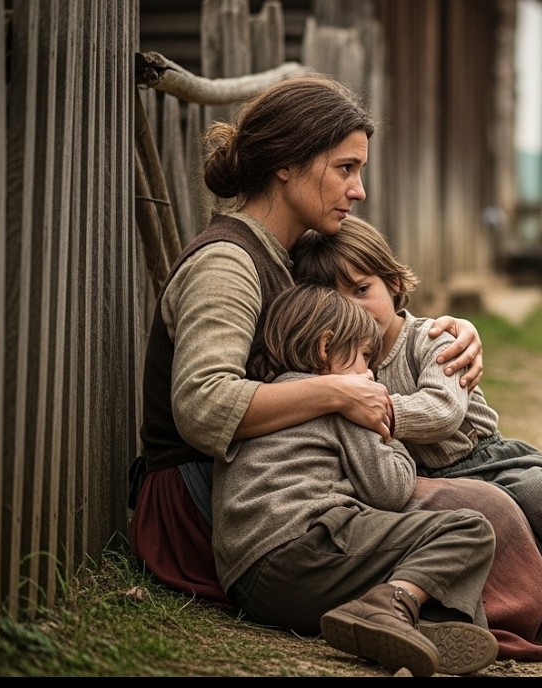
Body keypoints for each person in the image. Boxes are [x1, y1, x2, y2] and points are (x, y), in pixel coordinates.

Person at [127, 73, 485, 608]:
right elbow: (203, 405)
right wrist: (339, 394)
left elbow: (348, 346)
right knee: (482, 513)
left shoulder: (290, 258)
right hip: (212, 502)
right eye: (345, 168)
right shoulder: (227, 264)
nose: (359, 190)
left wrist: (446, 332)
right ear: (286, 164)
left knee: (492, 502)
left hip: (290, 478)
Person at [292, 215, 542, 658]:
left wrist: (372, 406)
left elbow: (443, 412)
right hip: (424, 481)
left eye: (362, 290)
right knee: (486, 542)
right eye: (336, 299)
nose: (354, 308)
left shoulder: (432, 338)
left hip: (486, 460)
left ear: (392, 283)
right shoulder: (337, 363)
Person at [213, 283, 498, 676]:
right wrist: (391, 437)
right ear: (326, 348)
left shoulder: (270, 398)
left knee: (408, 558)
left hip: (251, 585)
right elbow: (391, 489)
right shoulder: (344, 399)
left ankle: (403, 625)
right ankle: (392, 607)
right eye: (366, 358)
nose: (370, 374)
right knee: (468, 529)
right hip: (303, 544)